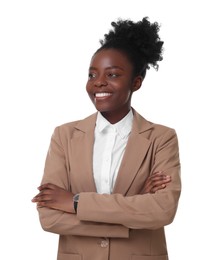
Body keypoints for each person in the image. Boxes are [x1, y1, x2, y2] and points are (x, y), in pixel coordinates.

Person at [32, 17, 181, 260]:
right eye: (92, 74)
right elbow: (49, 217)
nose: (98, 82)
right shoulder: (65, 136)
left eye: (112, 74)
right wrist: (134, 209)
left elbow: (162, 211)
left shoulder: (161, 138)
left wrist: (77, 203)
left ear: (136, 82)